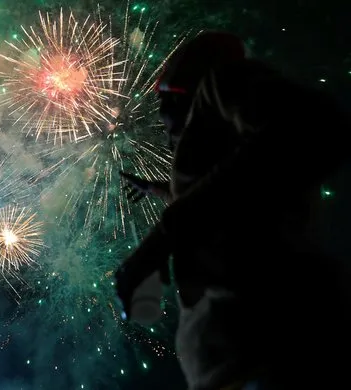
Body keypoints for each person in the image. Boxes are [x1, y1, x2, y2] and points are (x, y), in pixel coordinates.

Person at [114, 31, 351, 389]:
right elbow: (230, 199)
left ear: (179, 91)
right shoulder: (238, 162)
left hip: (270, 355)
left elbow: (311, 126)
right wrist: (161, 192)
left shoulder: (222, 82)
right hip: (246, 361)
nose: (163, 126)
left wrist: (160, 240)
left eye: (167, 104)